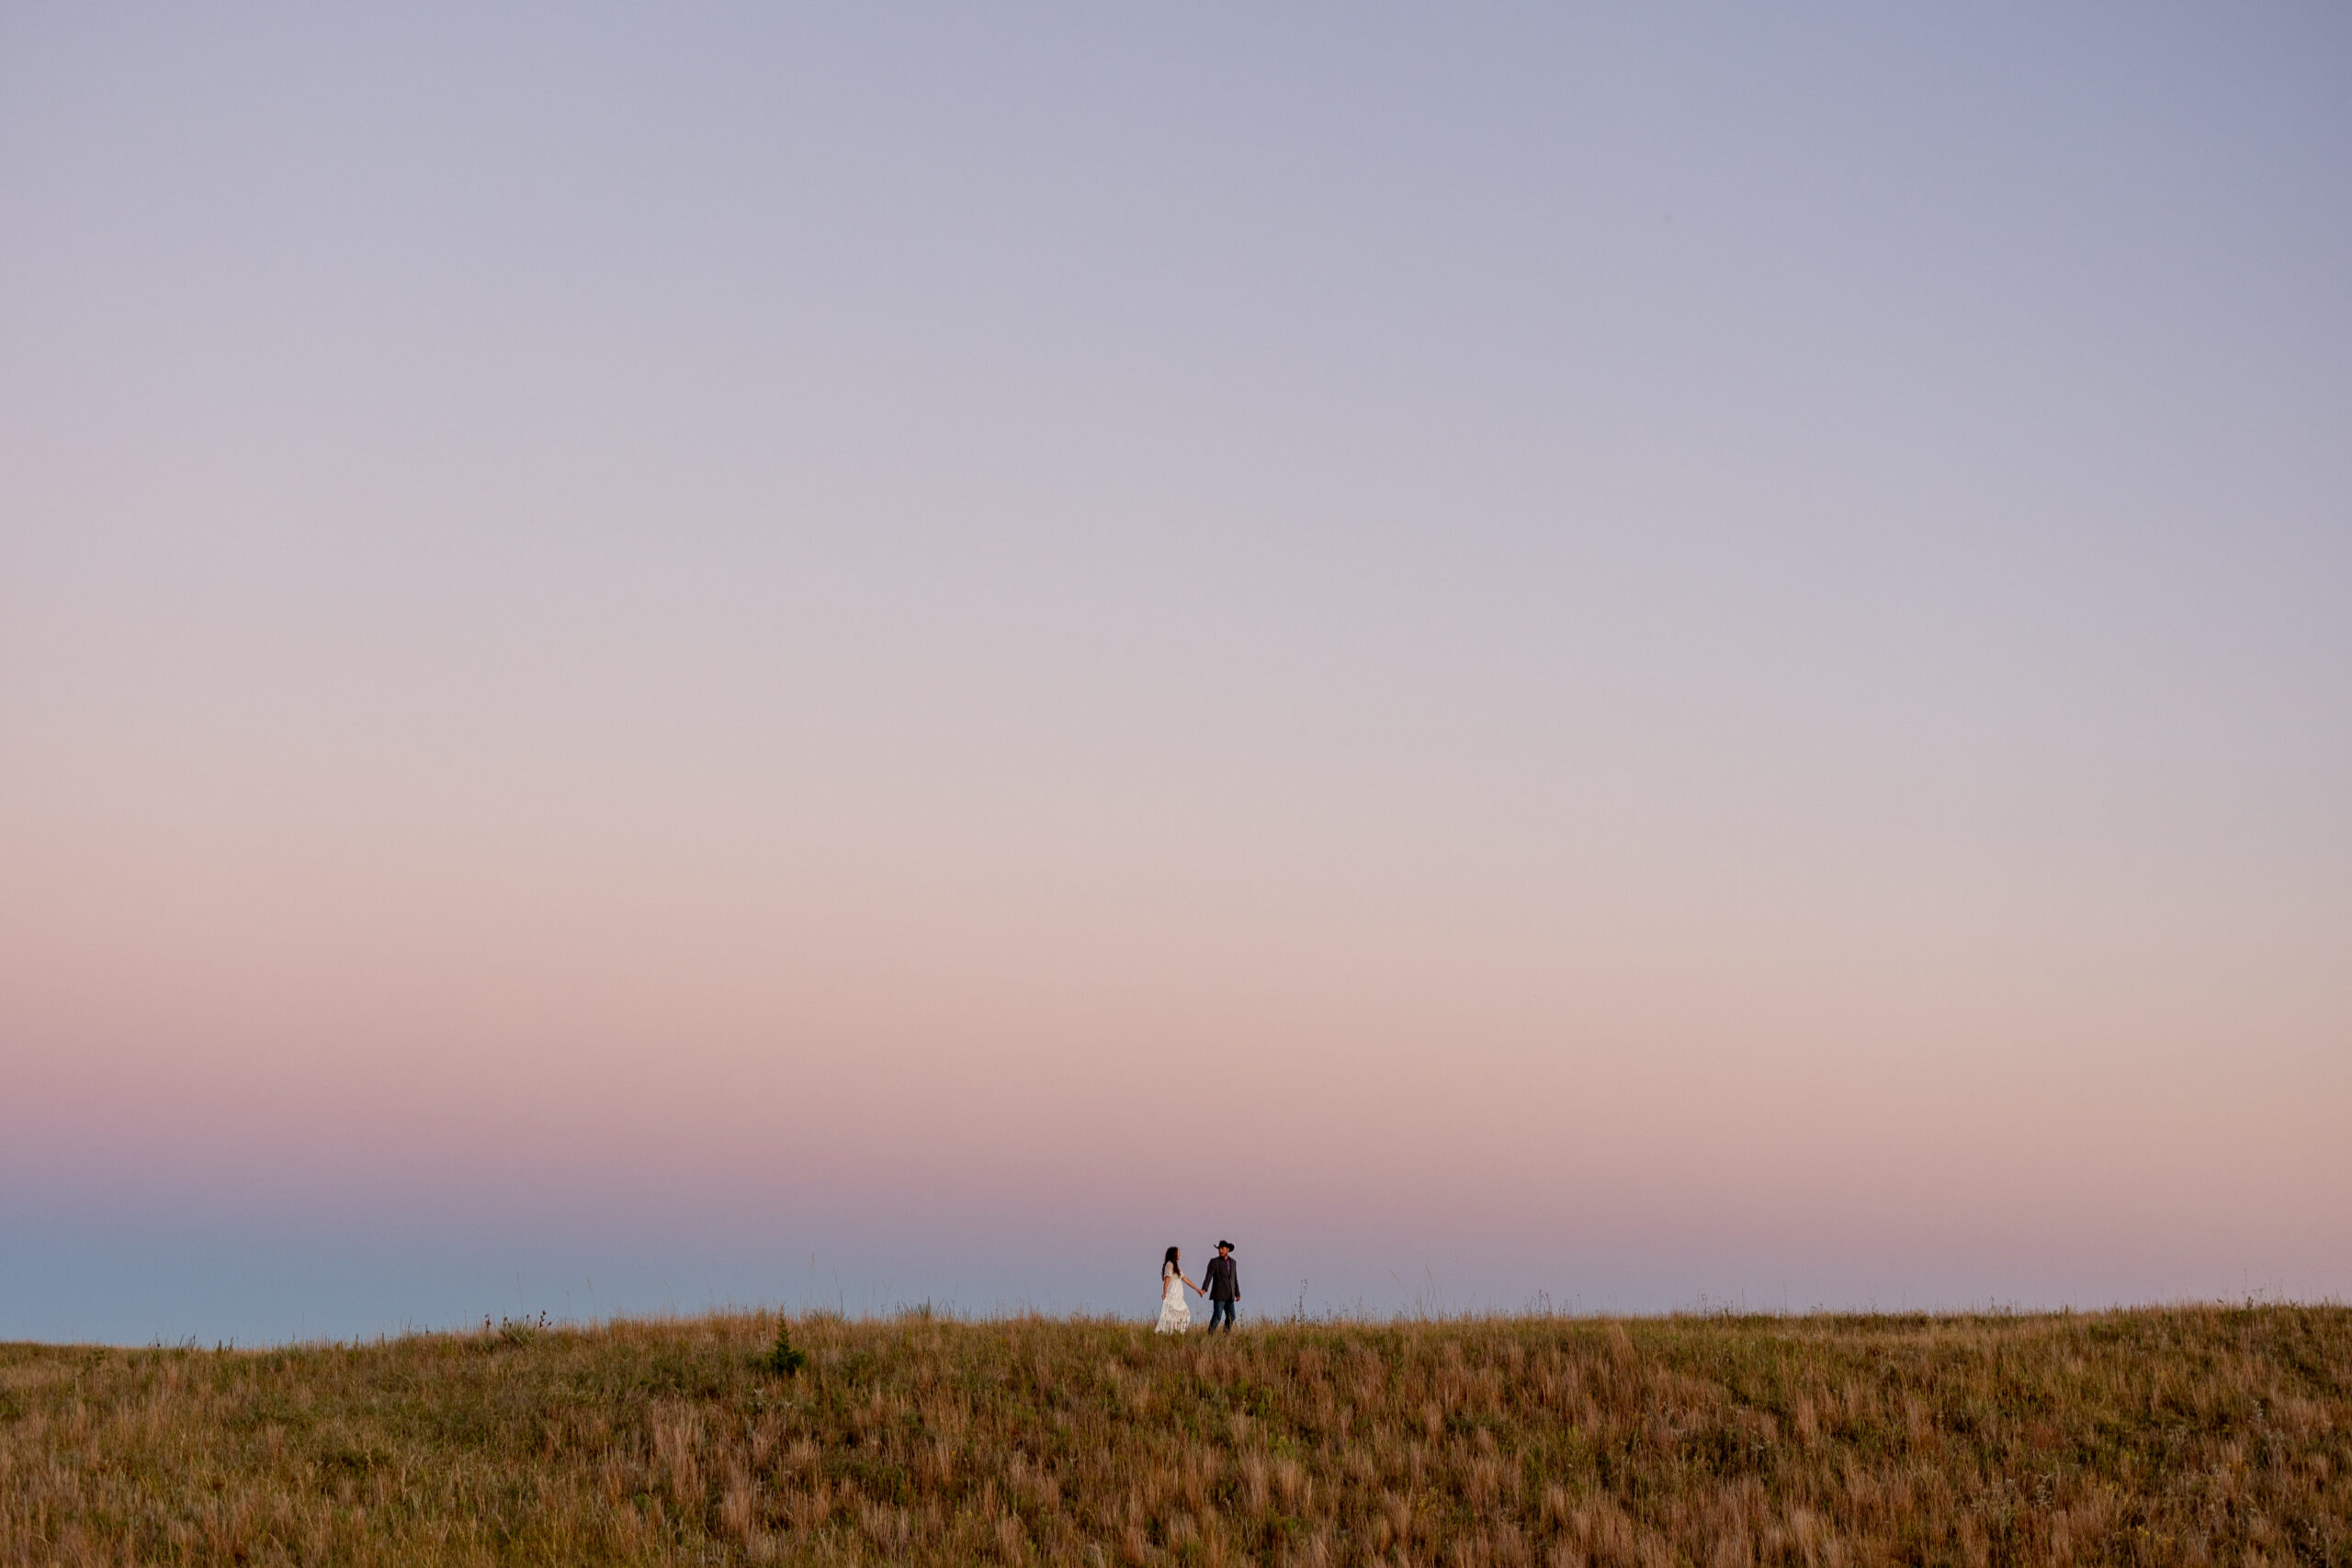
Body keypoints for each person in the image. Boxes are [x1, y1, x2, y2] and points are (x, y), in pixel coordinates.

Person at [1155, 1245, 1199, 1335]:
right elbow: (1166, 1280)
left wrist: (1197, 1289)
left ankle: (1176, 1333)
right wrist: (1165, 1293)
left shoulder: (1176, 1267)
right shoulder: (1169, 1265)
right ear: (1174, 1254)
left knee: (1185, 1313)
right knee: (1173, 1315)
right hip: (1172, 1294)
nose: (1180, 1254)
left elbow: (1185, 1279)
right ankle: (1171, 1334)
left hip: (1179, 1295)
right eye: (1178, 1253)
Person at [1201, 1240, 1239, 1332]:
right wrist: (1204, 1289)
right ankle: (1210, 1336)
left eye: (1222, 1249)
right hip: (1219, 1294)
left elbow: (1234, 1278)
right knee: (1217, 1316)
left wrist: (1237, 1293)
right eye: (1219, 1249)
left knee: (1232, 1317)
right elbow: (1209, 1275)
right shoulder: (1214, 1262)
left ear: (1227, 1249)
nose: (1220, 1251)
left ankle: (1226, 1335)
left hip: (1230, 1295)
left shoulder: (1233, 1262)